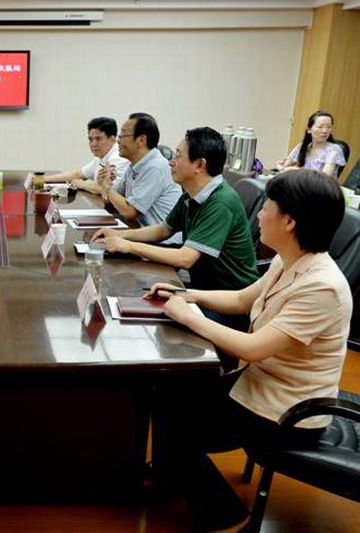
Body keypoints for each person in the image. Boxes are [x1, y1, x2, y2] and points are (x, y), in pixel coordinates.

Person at [146, 169, 351, 531]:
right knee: (169, 391)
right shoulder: (289, 259)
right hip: (262, 384)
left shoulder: (323, 287)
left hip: (289, 410)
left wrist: (187, 316)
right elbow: (242, 299)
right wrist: (185, 295)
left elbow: (254, 348)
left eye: (267, 207)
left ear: (289, 221)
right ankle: (171, 474)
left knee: (180, 418)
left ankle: (225, 516)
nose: (258, 215)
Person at [92, 127, 259, 292]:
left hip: (228, 296)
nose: (171, 162)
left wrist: (129, 246)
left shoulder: (221, 202)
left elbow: (185, 258)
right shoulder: (191, 193)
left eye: (178, 156)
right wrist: (119, 235)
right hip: (204, 288)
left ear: (199, 165)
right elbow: (164, 230)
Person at [100, 112, 182, 244]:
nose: (118, 141)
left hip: (165, 243)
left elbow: (129, 211)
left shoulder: (156, 167)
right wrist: (107, 187)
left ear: (141, 140)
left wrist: (106, 187)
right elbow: (109, 201)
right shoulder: (135, 165)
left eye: (122, 135)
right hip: (141, 234)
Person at [43, 117, 130, 194]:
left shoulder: (118, 158)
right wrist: (44, 179)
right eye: (90, 139)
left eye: (98, 139)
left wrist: (81, 183)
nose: (93, 144)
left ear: (112, 139)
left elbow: (110, 190)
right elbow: (78, 174)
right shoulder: (101, 156)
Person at [276, 110, 346, 179]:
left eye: (329, 127)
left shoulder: (334, 150)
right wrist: (281, 166)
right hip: (300, 183)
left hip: (319, 186)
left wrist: (297, 170)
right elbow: (285, 166)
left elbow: (323, 178)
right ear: (309, 129)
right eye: (320, 127)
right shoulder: (303, 146)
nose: (325, 131)